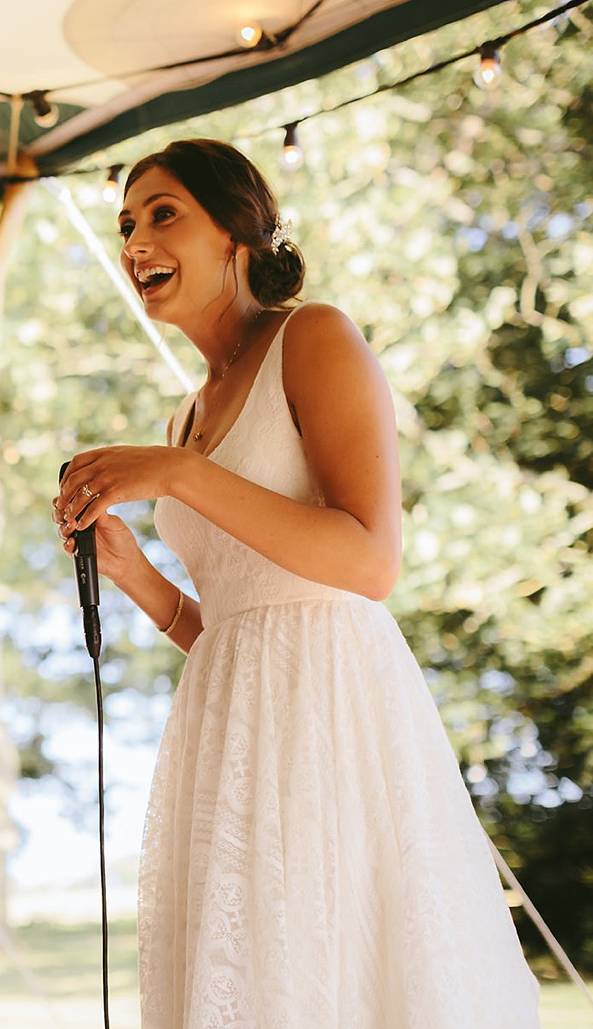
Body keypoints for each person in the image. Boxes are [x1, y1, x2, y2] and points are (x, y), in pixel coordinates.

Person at [53, 139, 540, 1028]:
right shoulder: (187, 413)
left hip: (333, 724)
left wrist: (178, 475)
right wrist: (135, 575)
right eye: (127, 225)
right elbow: (235, 624)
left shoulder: (311, 337)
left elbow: (368, 561)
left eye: (165, 215)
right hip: (229, 737)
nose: (136, 242)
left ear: (237, 233)